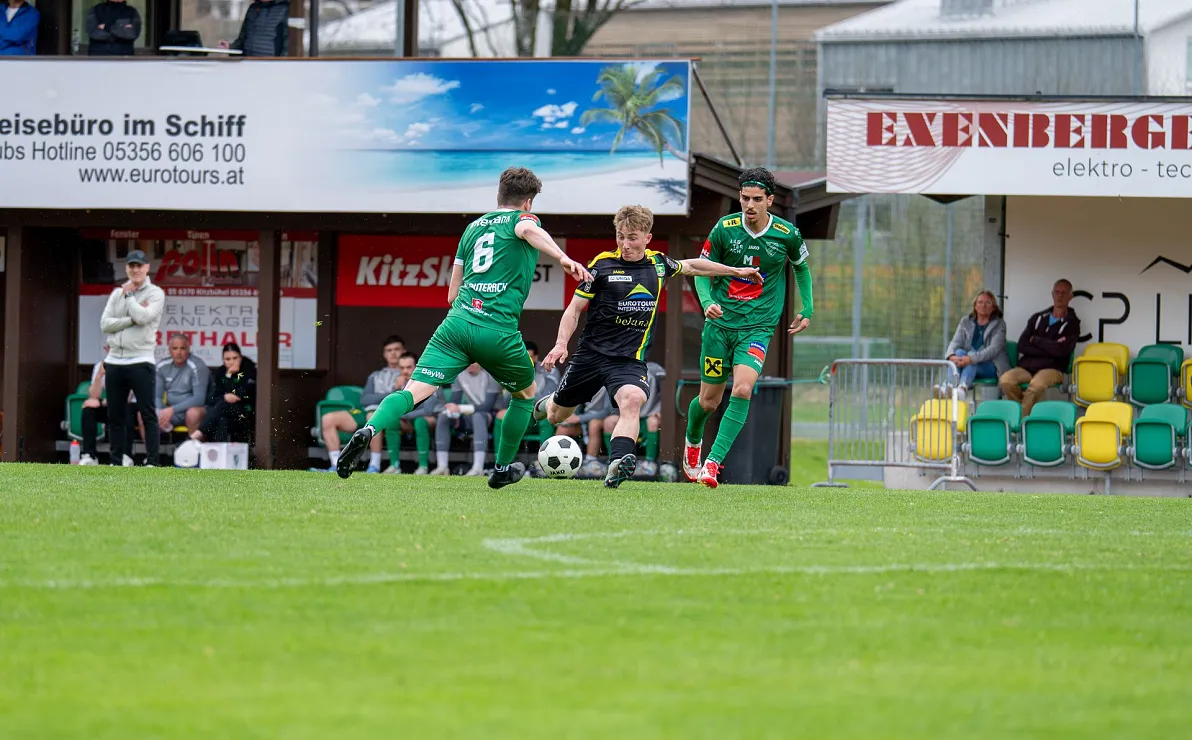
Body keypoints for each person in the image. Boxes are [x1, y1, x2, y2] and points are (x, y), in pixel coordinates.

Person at [336, 167, 592, 488]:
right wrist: (563, 257)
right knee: (525, 396)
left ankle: (369, 430)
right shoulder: (524, 220)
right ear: (528, 203)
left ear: (498, 195)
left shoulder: (472, 228)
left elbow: (451, 294)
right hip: (497, 330)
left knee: (413, 392)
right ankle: (500, 469)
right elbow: (529, 230)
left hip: (455, 325)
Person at [534, 204, 762, 488]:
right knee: (558, 414)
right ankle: (546, 402)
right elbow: (574, 309)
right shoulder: (602, 265)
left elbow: (693, 265)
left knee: (631, 402)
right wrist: (560, 344)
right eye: (620, 237)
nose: (625, 245)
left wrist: (735, 270)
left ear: (647, 238)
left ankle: (617, 464)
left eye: (632, 238)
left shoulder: (658, 264)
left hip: (629, 361)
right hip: (591, 356)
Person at [684, 168, 815, 488]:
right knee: (708, 402)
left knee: (742, 388)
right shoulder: (724, 230)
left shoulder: (787, 234)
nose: (750, 205)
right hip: (720, 326)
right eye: (745, 198)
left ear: (770, 200)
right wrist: (706, 302)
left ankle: (712, 464)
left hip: (757, 328)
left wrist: (808, 307)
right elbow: (701, 270)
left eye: (758, 199)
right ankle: (693, 441)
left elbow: (801, 268)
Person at [100, 250, 166, 466]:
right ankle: (116, 460)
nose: (135, 270)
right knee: (115, 415)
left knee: (147, 413)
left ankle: (153, 461)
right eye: (132, 266)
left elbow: (144, 316)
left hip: (141, 360)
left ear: (147, 268)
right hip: (114, 361)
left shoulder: (156, 293)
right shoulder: (116, 293)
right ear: (127, 268)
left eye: (139, 266)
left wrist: (129, 298)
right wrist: (130, 319)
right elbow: (105, 324)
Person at [998, 279, 1081, 416]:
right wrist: (1051, 346)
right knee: (1006, 380)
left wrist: (1035, 340)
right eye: (1057, 292)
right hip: (1027, 367)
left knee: (1036, 386)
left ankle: (1020, 421)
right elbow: (1022, 345)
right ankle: (1026, 414)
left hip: (1052, 369)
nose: (1060, 296)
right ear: (1052, 294)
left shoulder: (1072, 323)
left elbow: (1062, 351)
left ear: (1070, 297)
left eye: (1064, 293)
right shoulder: (1037, 318)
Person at [939, 290, 1010, 401]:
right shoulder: (965, 321)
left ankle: (959, 388)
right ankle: (953, 387)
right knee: (959, 352)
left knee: (971, 357)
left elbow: (993, 350)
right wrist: (951, 356)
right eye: (980, 302)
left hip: (991, 366)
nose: (983, 305)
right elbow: (955, 342)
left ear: (993, 308)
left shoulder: (999, 324)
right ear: (975, 306)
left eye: (988, 303)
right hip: (966, 362)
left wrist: (970, 358)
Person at [432, 364, 502, 476]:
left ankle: (478, 467)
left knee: (478, 416)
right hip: (470, 414)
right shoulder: (459, 375)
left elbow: (487, 406)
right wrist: (451, 408)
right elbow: (456, 400)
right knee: (444, 415)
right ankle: (442, 466)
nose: (470, 364)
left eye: (474, 361)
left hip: (491, 415)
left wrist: (460, 408)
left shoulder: (491, 375)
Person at [78, 343, 141, 466]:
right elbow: (94, 395)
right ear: (106, 350)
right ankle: (90, 455)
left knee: (126, 410)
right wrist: (100, 375)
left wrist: (102, 402)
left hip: (128, 406)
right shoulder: (99, 366)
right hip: (110, 406)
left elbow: (126, 397)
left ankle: (125, 455)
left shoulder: (131, 366)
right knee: (88, 410)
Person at [190, 343, 256, 444]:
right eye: (228, 359)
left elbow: (241, 394)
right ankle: (220, 452)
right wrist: (228, 375)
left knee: (223, 405)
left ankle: (201, 431)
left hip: (245, 410)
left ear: (240, 357)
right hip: (225, 411)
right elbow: (212, 398)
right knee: (222, 418)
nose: (232, 362)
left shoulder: (249, 369)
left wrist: (228, 394)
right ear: (223, 360)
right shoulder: (221, 372)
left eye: (235, 358)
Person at [156, 333, 210, 436]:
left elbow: (199, 398)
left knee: (192, 414)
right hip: (170, 412)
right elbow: (157, 396)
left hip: (193, 409)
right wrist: (161, 412)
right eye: (175, 348)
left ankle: (194, 450)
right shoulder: (162, 366)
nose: (179, 352)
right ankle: (152, 452)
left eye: (182, 348)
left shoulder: (197, 365)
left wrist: (172, 409)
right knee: (143, 415)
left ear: (188, 349)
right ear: (169, 350)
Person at [220, 0, 289, 57]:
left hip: (271, 66)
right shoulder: (252, 9)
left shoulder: (285, 9)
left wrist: (281, 66)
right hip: (248, 64)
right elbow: (242, 40)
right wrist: (230, 47)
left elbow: (287, 46)